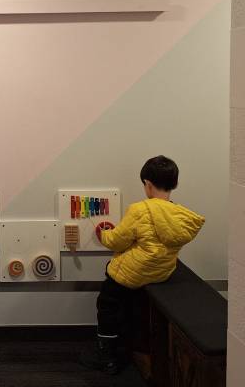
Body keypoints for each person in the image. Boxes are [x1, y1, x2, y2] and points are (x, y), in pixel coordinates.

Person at [81, 155, 205, 374]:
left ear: (147, 184)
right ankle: (132, 345)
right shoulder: (181, 216)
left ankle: (106, 355)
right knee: (135, 306)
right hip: (161, 272)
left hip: (133, 273)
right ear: (174, 184)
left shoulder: (140, 210)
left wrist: (103, 233)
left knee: (107, 303)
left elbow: (118, 241)